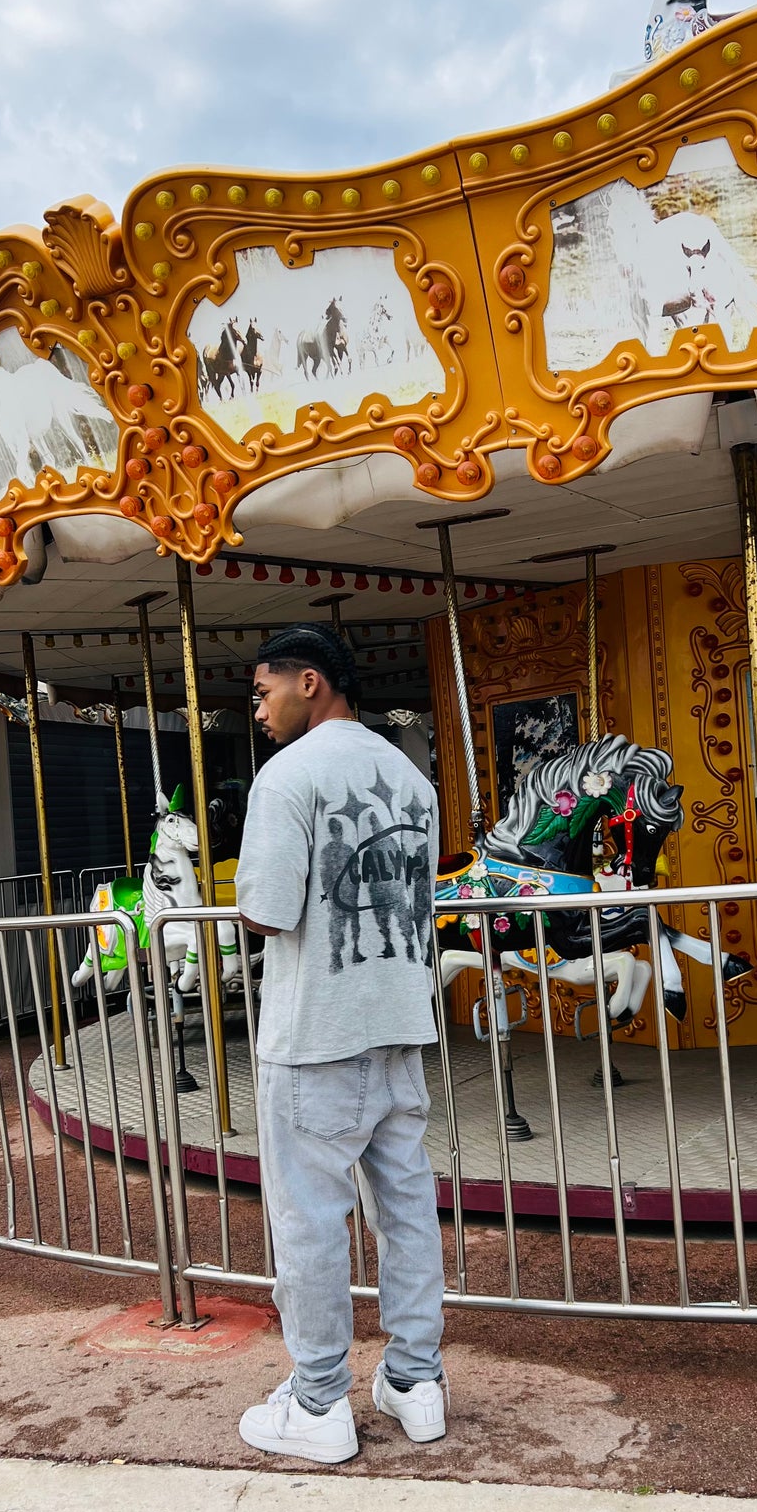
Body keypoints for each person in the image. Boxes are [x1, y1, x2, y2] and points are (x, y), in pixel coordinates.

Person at [234, 623, 447, 1464]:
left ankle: (319, 1398)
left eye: (263, 691)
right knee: (406, 1210)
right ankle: (415, 1379)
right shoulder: (411, 780)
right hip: (398, 1023)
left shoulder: (287, 775)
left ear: (310, 682)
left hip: (315, 1031)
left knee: (309, 1221)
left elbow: (268, 908)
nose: (257, 708)